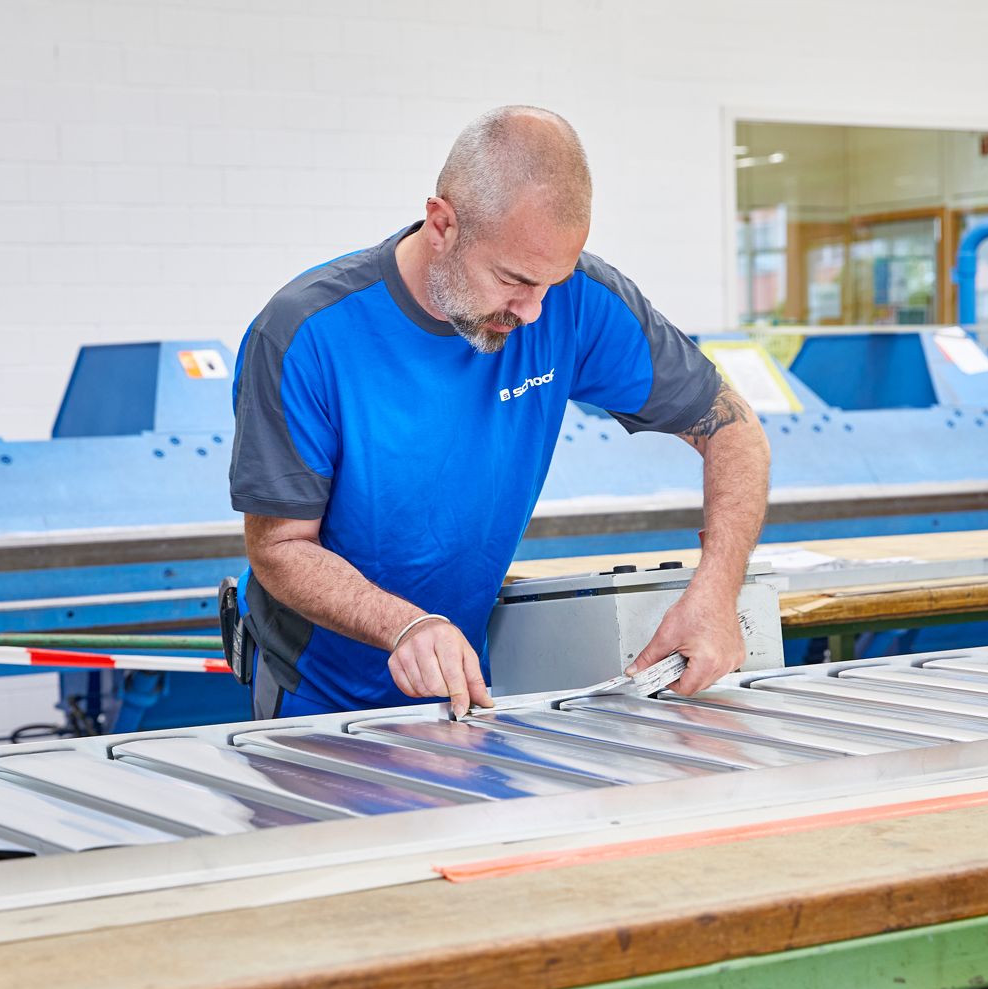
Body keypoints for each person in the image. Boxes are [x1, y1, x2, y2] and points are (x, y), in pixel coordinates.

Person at [228, 105, 770, 720]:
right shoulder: (305, 334)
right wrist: (405, 625)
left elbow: (732, 427)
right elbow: (280, 547)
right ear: (442, 224)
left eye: (551, 282)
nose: (534, 311)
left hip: (464, 693)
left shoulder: (574, 301)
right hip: (317, 695)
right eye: (513, 279)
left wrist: (717, 591)